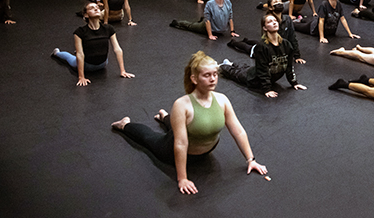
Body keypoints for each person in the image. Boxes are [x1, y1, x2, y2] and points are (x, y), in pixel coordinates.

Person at [111, 51, 268, 195]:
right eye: (207, 75)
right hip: (170, 152)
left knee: (185, 125)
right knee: (149, 137)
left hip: (205, 151)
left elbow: (238, 131)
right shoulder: (182, 105)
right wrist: (182, 178)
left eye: (215, 74)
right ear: (194, 79)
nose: (213, 79)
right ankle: (125, 124)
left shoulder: (222, 100)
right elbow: (180, 143)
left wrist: (251, 160)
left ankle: (165, 117)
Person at [219, 14, 306, 98]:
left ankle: (231, 64)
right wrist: (267, 89)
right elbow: (262, 70)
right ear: (265, 28)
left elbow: (289, 66)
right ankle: (221, 66)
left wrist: (294, 83)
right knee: (235, 73)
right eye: (270, 22)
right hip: (255, 80)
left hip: (264, 75)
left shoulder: (286, 44)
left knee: (246, 68)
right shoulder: (262, 46)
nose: (274, 23)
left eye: (275, 20)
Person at [52, 2, 134, 86]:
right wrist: (81, 77)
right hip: (86, 66)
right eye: (91, 8)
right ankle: (57, 53)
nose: (96, 9)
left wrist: (123, 71)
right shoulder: (80, 32)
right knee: (69, 57)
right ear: (86, 15)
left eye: (97, 7)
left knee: (81, 51)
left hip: (103, 64)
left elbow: (117, 49)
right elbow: (80, 54)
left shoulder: (108, 29)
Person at [231, 0, 306, 64]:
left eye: (280, 2)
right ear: (270, 7)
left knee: (256, 42)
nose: (279, 3)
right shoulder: (268, 21)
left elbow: (292, 37)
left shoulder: (287, 19)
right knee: (247, 48)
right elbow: (265, 38)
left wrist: (297, 56)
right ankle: (233, 42)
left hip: (280, 49)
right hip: (269, 50)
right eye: (276, 2)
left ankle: (246, 40)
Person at [170, 0, 240, 40]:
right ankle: (177, 23)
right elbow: (207, 21)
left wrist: (232, 31)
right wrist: (210, 35)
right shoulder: (210, 4)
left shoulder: (228, 2)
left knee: (207, 18)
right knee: (191, 26)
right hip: (206, 28)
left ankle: (201, 19)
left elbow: (230, 18)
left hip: (218, 28)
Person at [294, 0, 360, 43]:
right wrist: (322, 37)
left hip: (329, 31)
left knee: (310, 20)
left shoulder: (338, 4)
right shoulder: (324, 5)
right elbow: (321, 21)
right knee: (297, 26)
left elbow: (342, 19)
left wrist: (350, 33)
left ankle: (301, 19)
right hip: (314, 29)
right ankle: (293, 21)